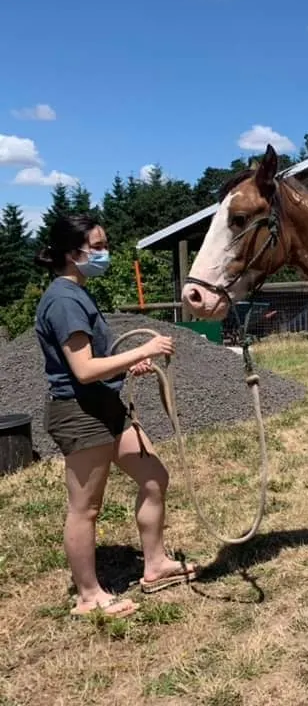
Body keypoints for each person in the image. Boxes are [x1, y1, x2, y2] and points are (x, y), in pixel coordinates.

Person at [34, 213, 197, 618]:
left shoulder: (77, 293)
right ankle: (88, 596)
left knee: (154, 476)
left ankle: (155, 565)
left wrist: (125, 367)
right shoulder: (65, 300)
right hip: (80, 412)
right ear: (74, 254)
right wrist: (144, 350)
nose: (106, 253)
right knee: (85, 508)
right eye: (99, 246)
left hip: (105, 406)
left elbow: (97, 363)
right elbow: (84, 370)